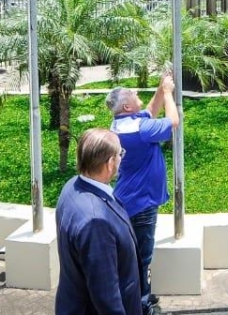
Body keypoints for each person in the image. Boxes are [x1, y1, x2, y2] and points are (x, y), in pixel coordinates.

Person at [108, 73, 180, 313]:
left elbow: (150, 111)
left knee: (134, 255)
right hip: (141, 204)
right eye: (134, 94)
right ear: (127, 106)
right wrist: (169, 93)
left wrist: (160, 90)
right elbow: (173, 121)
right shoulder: (141, 130)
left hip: (129, 199)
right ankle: (141, 305)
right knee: (142, 257)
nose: (138, 94)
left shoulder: (124, 123)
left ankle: (142, 295)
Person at [55, 128, 142, 315]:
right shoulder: (96, 222)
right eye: (120, 153)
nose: (121, 158)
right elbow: (105, 294)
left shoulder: (71, 187)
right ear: (110, 163)